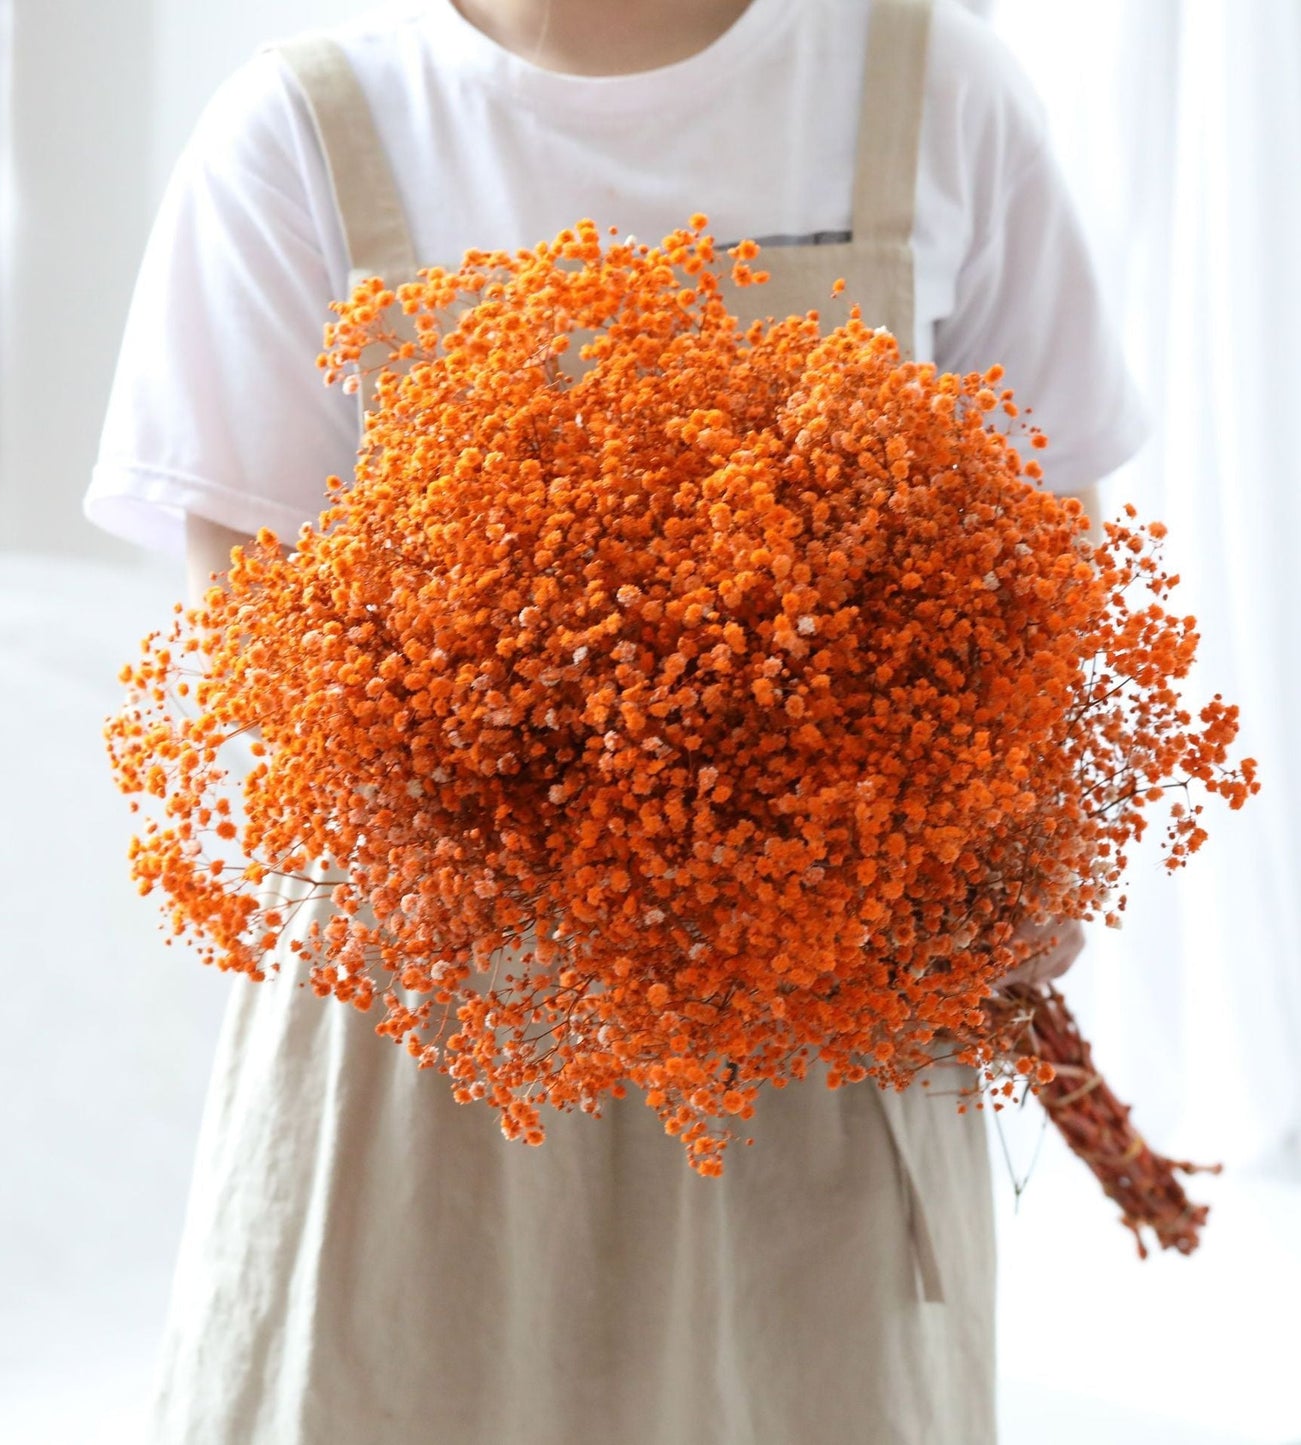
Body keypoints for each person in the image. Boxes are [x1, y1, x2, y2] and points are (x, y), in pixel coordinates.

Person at [86, 1, 1146, 1439]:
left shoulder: (928, 82)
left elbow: (1043, 563)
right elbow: (266, 658)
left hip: (815, 1055)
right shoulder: (302, 132)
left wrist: (1014, 842)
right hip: (434, 1049)